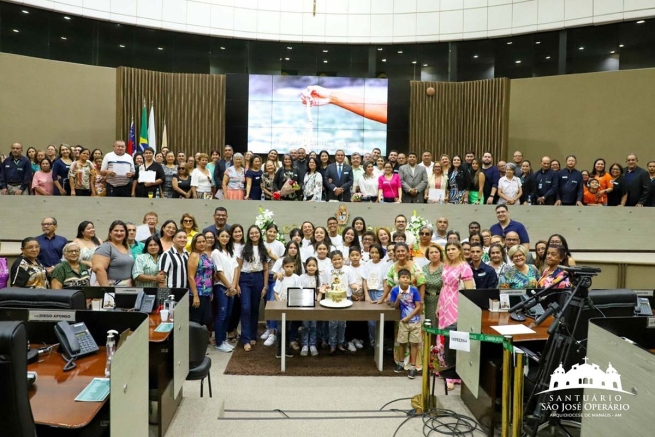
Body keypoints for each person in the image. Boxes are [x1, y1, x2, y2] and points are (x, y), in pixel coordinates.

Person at [438, 242, 475, 390]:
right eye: (448, 249)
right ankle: (443, 367)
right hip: (444, 303)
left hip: (457, 303)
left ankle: (455, 374)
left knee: (454, 336)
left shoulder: (464, 267)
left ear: (459, 251)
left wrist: (466, 310)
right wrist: (439, 306)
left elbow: (470, 290)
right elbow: (443, 285)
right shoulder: (446, 265)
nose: (451, 252)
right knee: (443, 335)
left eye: (453, 249)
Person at [237, 225, 269, 352]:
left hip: (258, 279)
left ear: (260, 234)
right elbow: (238, 267)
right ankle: (245, 339)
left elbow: (266, 269)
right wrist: (237, 283)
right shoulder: (243, 248)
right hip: (244, 279)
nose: (254, 235)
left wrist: (265, 285)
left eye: (256, 233)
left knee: (255, 309)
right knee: (246, 308)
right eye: (251, 233)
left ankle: (252, 335)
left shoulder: (263, 248)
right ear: (248, 235)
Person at [390, 269, 423, 379]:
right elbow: (394, 306)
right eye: (403, 277)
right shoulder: (395, 290)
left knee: (414, 344)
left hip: (415, 321)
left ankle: (413, 366)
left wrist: (408, 317)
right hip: (402, 323)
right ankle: (400, 363)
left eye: (407, 277)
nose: (405, 279)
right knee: (402, 343)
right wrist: (398, 300)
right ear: (398, 279)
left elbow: (418, 306)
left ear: (410, 279)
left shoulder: (414, 290)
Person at [211, 228, 239, 353]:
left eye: (227, 236)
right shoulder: (216, 253)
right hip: (221, 287)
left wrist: (233, 286)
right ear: (218, 237)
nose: (225, 238)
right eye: (222, 236)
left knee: (228, 315)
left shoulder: (230, 252)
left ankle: (223, 340)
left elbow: (236, 269)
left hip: (231, 287)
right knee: (221, 315)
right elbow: (219, 272)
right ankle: (219, 341)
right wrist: (229, 287)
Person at [273, 256, 302, 358]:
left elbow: (299, 292)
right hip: (281, 307)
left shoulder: (297, 278)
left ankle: (287, 348)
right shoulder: (280, 278)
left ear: (294, 267)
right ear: (283, 267)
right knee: (281, 328)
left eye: (291, 266)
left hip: (291, 306)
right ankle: (279, 349)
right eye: (287, 266)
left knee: (289, 328)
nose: (289, 268)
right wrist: (279, 303)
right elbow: (275, 292)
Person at [92, 220, 135, 287]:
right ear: (110, 233)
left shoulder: (127, 247)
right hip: (111, 288)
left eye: (122, 231)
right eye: (116, 230)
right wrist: (107, 290)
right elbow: (98, 269)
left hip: (126, 288)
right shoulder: (105, 247)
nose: (119, 233)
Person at [187, 234, 215, 327]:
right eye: (199, 242)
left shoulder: (205, 255)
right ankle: (195, 341)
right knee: (196, 321)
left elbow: (209, 275)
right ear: (194, 244)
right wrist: (195, 296)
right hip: (198, 292)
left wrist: (211, 292)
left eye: (203, 241)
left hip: (207, 292)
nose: (202, 244)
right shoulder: (194, 255)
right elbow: (191, 276)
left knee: (207, 318)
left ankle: (202, 340)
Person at [299, 257, 322, 356]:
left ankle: (312, 345)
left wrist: (318, 300)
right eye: (309, 265)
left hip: (315, 305)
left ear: (317, 267)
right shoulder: (302, 277)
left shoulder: (318, 278)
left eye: (313, 266)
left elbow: (320, 291)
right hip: (304, 305)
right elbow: (299, 290)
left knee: (313, 325)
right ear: (305, 266)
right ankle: (304, 345)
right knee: (305, 325)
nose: (311, 267)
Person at [421, 244, 444, 325]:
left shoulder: (445, 268)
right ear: (428, 255)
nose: (434, 254)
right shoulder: (424, 268)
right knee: (428, 325)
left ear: (440, 254)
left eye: (436, 252)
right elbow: (421, 285)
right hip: (427, 300)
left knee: (438, 325)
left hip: (440, 299)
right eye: (431, 252)